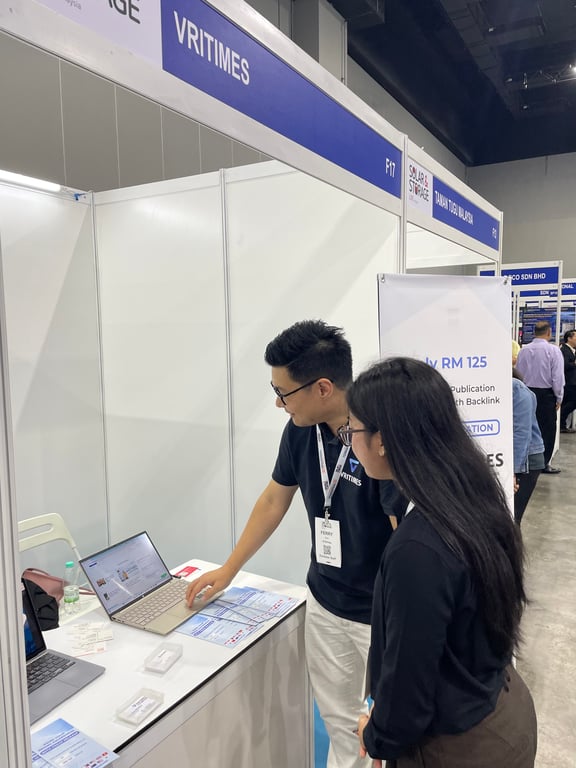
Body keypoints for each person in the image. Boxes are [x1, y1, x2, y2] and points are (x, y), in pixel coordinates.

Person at [186, 320, 405, 768]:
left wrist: (405, 624)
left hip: (380, 614)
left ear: (322, 387)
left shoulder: (378, 437)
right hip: (325, 601)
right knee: (342, 726)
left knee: (388, 735)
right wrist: (229, 569)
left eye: (283, 393)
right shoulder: (302, 430)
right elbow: (274, 500)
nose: (278, 403)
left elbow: (403, 533)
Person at [343, 357, 536, 768]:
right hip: (499, 707)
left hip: (458, 748)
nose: (350, 441)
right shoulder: (471, 494)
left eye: (352, 430)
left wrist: (377, 737)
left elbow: (409, 683)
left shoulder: (418, 549)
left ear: (382, 441)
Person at [516, 321, 564, 474]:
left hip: (526, 392)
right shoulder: (554, 351)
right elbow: (557, 377)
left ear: (534, 333)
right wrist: (559, 397)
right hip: (546, 395)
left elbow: (517, 372)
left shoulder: (524, 351)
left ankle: (526, 461)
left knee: (527, 427)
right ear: (549, 332)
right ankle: (543, 463)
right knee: (547, 430)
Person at [513, 367, 545, 524]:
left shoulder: (516, 389)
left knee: (512, 519)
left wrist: (513, 472)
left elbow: (521, 433)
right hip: (517, 458)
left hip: (526, 461)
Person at [559, 329, 576, 433]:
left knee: (567, 402)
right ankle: (561, 422)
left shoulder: (572, 350)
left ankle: (562, 424)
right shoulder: (564, 350)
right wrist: (574, 363)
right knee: (572, 402)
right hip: (569, 382)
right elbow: (564, 365)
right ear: (569, 338)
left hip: (572, 382)